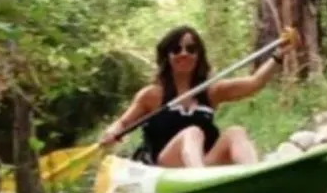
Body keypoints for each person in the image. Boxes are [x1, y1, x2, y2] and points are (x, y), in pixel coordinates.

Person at [98, 25, 290, 167]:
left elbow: (254, 84)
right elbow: (123, 124)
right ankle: (200, 178)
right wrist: (112, 131)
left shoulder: (211, 91)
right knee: (193, 132)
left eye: (191, 49)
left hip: (203, 163)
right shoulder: (152, 94)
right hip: (165, 167)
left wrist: (279, 55)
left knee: (235, 132)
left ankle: (253, 175)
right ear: (167, 56)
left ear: (198, 56)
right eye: (176, 49)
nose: (184, 54)